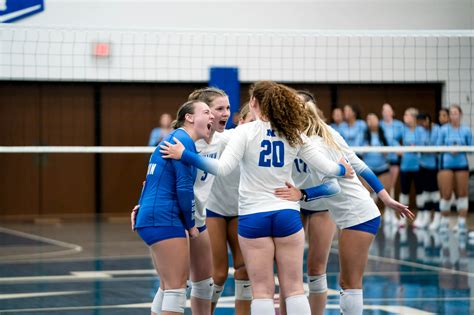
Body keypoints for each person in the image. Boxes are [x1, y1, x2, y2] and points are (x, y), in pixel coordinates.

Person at [160, 81, 354, 315]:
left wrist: (185, 155)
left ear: (253, 103)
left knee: (261, 290)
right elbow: (329, 169)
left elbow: (221, 168)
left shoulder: (244, 132)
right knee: (294, 288)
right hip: (287, 214)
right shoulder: (294, 134)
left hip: (253, 217)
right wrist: (343, 170)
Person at [277, 100, 413, 315]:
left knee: (350, 283)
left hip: (357, 215)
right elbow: (359, 165)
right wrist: (385, 198)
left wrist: (302, 194)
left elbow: (332, 187)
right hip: (357, 214)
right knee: (348, 282)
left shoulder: (315, 146)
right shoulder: (326, 134)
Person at [132, 100, 214, 315]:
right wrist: (191, 225)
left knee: (168, 286)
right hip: (164, 218)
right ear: (189, 117)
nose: (212, 116)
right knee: (177, 289)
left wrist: (142, 207)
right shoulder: (182, 141)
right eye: (206, 112)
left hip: (154, 217)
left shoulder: (173, 140)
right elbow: (184, 188)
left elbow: (149, 182)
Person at [206, 103, 254, 315]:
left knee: (245, 269)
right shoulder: (226, 138)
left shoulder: (262, 144)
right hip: (214, 210)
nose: (256, 127)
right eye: (251, 122)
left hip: (240, 210)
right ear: (240, 122)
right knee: (218, 273)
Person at [186, 87, 231, 315]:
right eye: (219, 108)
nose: (225, 113)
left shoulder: (222, 141)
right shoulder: (183, 141)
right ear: (206, 113)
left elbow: (250, 131)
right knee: (174, 285)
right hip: (178, 219)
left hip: (200, 218)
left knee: (205, 282)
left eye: (228, 108)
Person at [437, 105, 472, 232]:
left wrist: (460, 148)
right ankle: (444, 222)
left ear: (460, 114)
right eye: (451, 113)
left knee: (462, 194)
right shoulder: (443, 130)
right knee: (446, 194)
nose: (453, 115)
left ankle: (462, 223)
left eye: (455, 113)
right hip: (446, 165)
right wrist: (448, 150)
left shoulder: (466, 130)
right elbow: (437, 147)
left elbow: (471, 148)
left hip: (462, 165)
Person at [399, 107, 425, 228]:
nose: (405, 117)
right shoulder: (402, 129)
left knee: (420, 192)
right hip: (405, 166)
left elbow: (424, 144)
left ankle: (421, 217)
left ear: (414, 117)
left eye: (407, 115)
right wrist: (397, 148)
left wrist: (417, 146)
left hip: (418, 167)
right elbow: (392, 139)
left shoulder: (421, 130)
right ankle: (402, 218)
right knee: (404, 192)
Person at [379, 103, 405, 224]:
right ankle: (386, 212)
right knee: (384, 187)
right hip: (383, 159)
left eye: (388, 110)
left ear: (392, 112)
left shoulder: (399, 125)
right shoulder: (380, 125)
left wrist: (398, 146)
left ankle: (391, 213)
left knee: (391, 187)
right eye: (383, 110)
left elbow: (404, 138)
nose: (385, 112)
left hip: (395, 159)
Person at [417, 113, 441, 230]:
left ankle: (437, 218)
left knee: (435, 194)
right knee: (425, 193)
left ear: (427, 119)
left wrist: (427, 149)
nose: (421, 125)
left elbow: (437, 148)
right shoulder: (420, 130)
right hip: (423, 166)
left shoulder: (437, 129)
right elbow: (419, 146)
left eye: (423, 122)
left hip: (434, 166)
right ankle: (426, 218)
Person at [363, 113, 391, 201]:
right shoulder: (364, 134)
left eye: (374, 119)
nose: (371, 121)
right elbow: (358, 151)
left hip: (382, 167)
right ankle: (370, 213)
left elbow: (389, 150)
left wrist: (384, 151)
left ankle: (388, 211)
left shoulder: (383, 134)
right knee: (368, 192)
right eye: (369, 119)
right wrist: (365, 148)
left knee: (384, 191)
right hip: (368, 168)